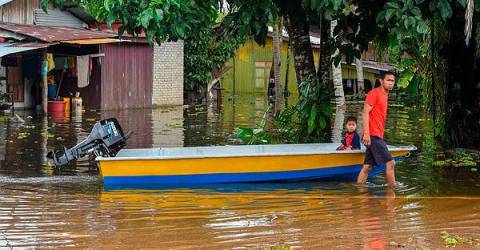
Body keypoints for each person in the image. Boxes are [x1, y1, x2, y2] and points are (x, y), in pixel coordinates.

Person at [357, 71, 396, 186]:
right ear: (381, 81)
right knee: (391, 163)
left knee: (368, 166)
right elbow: (365, 112)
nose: (390, 83)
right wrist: (367, 133)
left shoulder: (385, 95)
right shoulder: (374, 93)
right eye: (388, 80)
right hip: (372, 135)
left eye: (392, 81)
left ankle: (359, 189)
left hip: (377, 134)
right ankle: (392, 191)